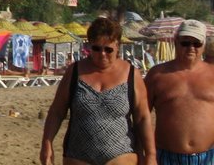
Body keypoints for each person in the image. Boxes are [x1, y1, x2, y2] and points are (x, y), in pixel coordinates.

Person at [40, 16, 156, 165]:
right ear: (89, 46)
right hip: (78, 156)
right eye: (96, 48)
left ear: (118, 46)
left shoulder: (131, 74)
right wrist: (47, 143)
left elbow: (142, 118)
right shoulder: (74, 72)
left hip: (121, 156)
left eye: (108, 49)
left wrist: (151, 155)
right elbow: (57, 112)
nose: (102, 54)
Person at [144, 19, 214, 165]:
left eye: (196, 43)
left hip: (209, 157)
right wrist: (148, 154)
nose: (191, 48)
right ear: (176, 42)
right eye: (185, 43)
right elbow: (142, 117)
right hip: (166, 157)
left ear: (204, 45)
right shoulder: (157, 75)